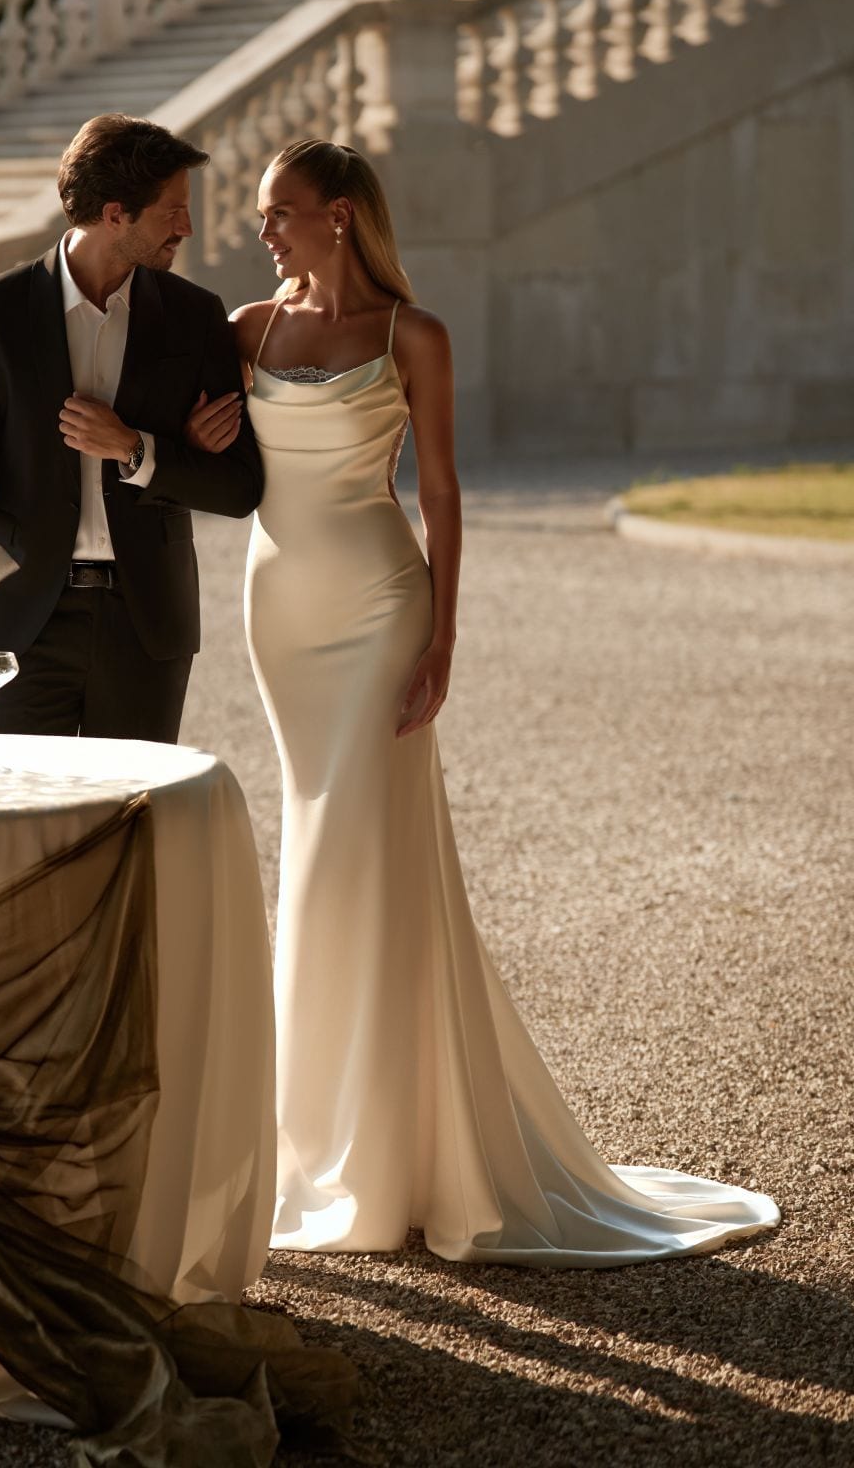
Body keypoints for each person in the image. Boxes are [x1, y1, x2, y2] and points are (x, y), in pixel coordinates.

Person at [187, 137, 779, 1262]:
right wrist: (195, 433)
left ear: (343, 216)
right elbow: (194, 448)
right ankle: (322, 1138)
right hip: (281, 616)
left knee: (350, 844)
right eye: (264, 216)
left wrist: (445, 635)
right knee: (318, 836)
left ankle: (374, 1148)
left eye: (282, 211)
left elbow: (445, 489)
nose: (263, 230)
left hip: (377, 607)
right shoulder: (246, 331)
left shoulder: (417, 336)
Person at [0, 114, 262, 743]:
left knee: (128, 823)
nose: (187, 226)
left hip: (146, 623)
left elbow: (239, 488)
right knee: (20, 823)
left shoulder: (196, 318)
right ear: (114, 214)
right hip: (25, 625)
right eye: (172, 211)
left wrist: (136, 448)